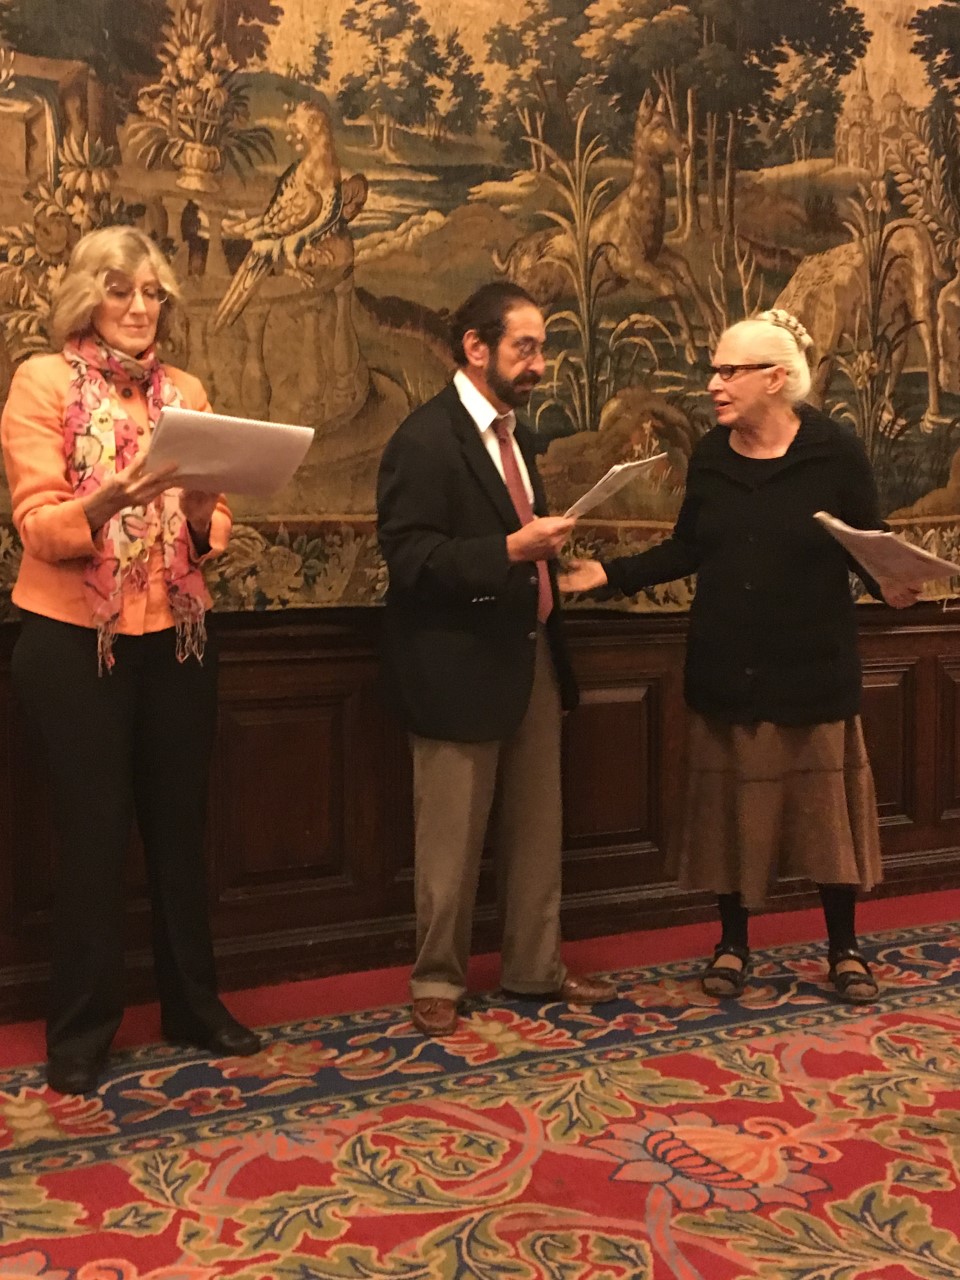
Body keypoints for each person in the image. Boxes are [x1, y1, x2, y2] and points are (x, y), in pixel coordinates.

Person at [560, 309, 919, 1004]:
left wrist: (895, 586)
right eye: (713, 370)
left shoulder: (834, 452)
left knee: (825, 818)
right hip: (728, 664)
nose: (713, 384)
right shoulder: (712, 455)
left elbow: (869, 544)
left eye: (729, 370)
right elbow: (690, 546)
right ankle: (732, 944)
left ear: (776, 379)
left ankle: (844, 948)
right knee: (732, 816)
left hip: (813, 666)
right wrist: (610, 574)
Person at [0, 225, 260, 1095]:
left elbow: (213, 524)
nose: (141, 308)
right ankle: (81, 1033)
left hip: (176, 636)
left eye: (153, 293)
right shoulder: (41, 382)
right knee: (93, 837)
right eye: (121, 291)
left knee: (182, 831)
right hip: (75, 644)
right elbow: (37, 525)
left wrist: (193, 513)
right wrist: (109, 498)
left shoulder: (185, 391)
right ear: (87, 297)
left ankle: (195, 1006)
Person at [376, 281, 617, 1036]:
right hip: (454, 666)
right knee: (449, 840)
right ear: (475, 348)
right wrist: (511, 550)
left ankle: (535, 967)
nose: (539, 363)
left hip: (532, 653)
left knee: (537, 829)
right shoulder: (424, 439)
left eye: (542, 348)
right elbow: (411, 559)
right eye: (526, 347)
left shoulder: (514, 436)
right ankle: (438, 981)